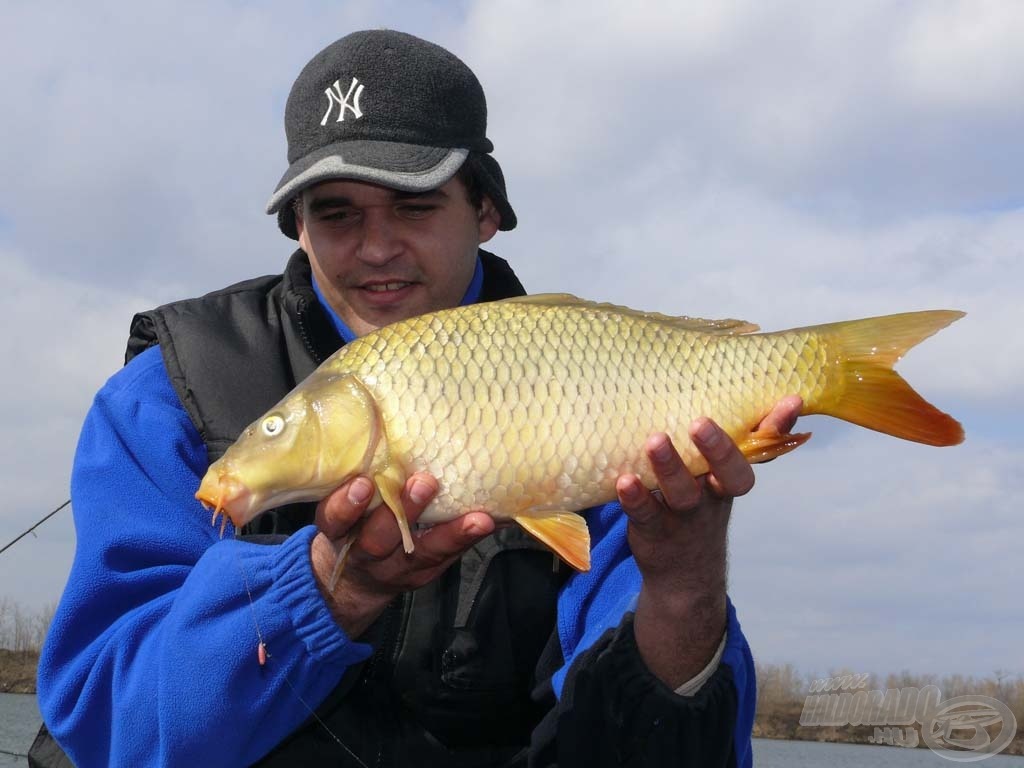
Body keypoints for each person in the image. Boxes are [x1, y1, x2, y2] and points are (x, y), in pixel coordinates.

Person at [35, 29, 801, 768]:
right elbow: (109, 731)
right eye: (337, 213)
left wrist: (685, 587)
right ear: (297, 226)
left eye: (414, 205)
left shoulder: (588, 386)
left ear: (487, 210)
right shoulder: (165, 393)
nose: (376, 247)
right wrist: (324, 591)